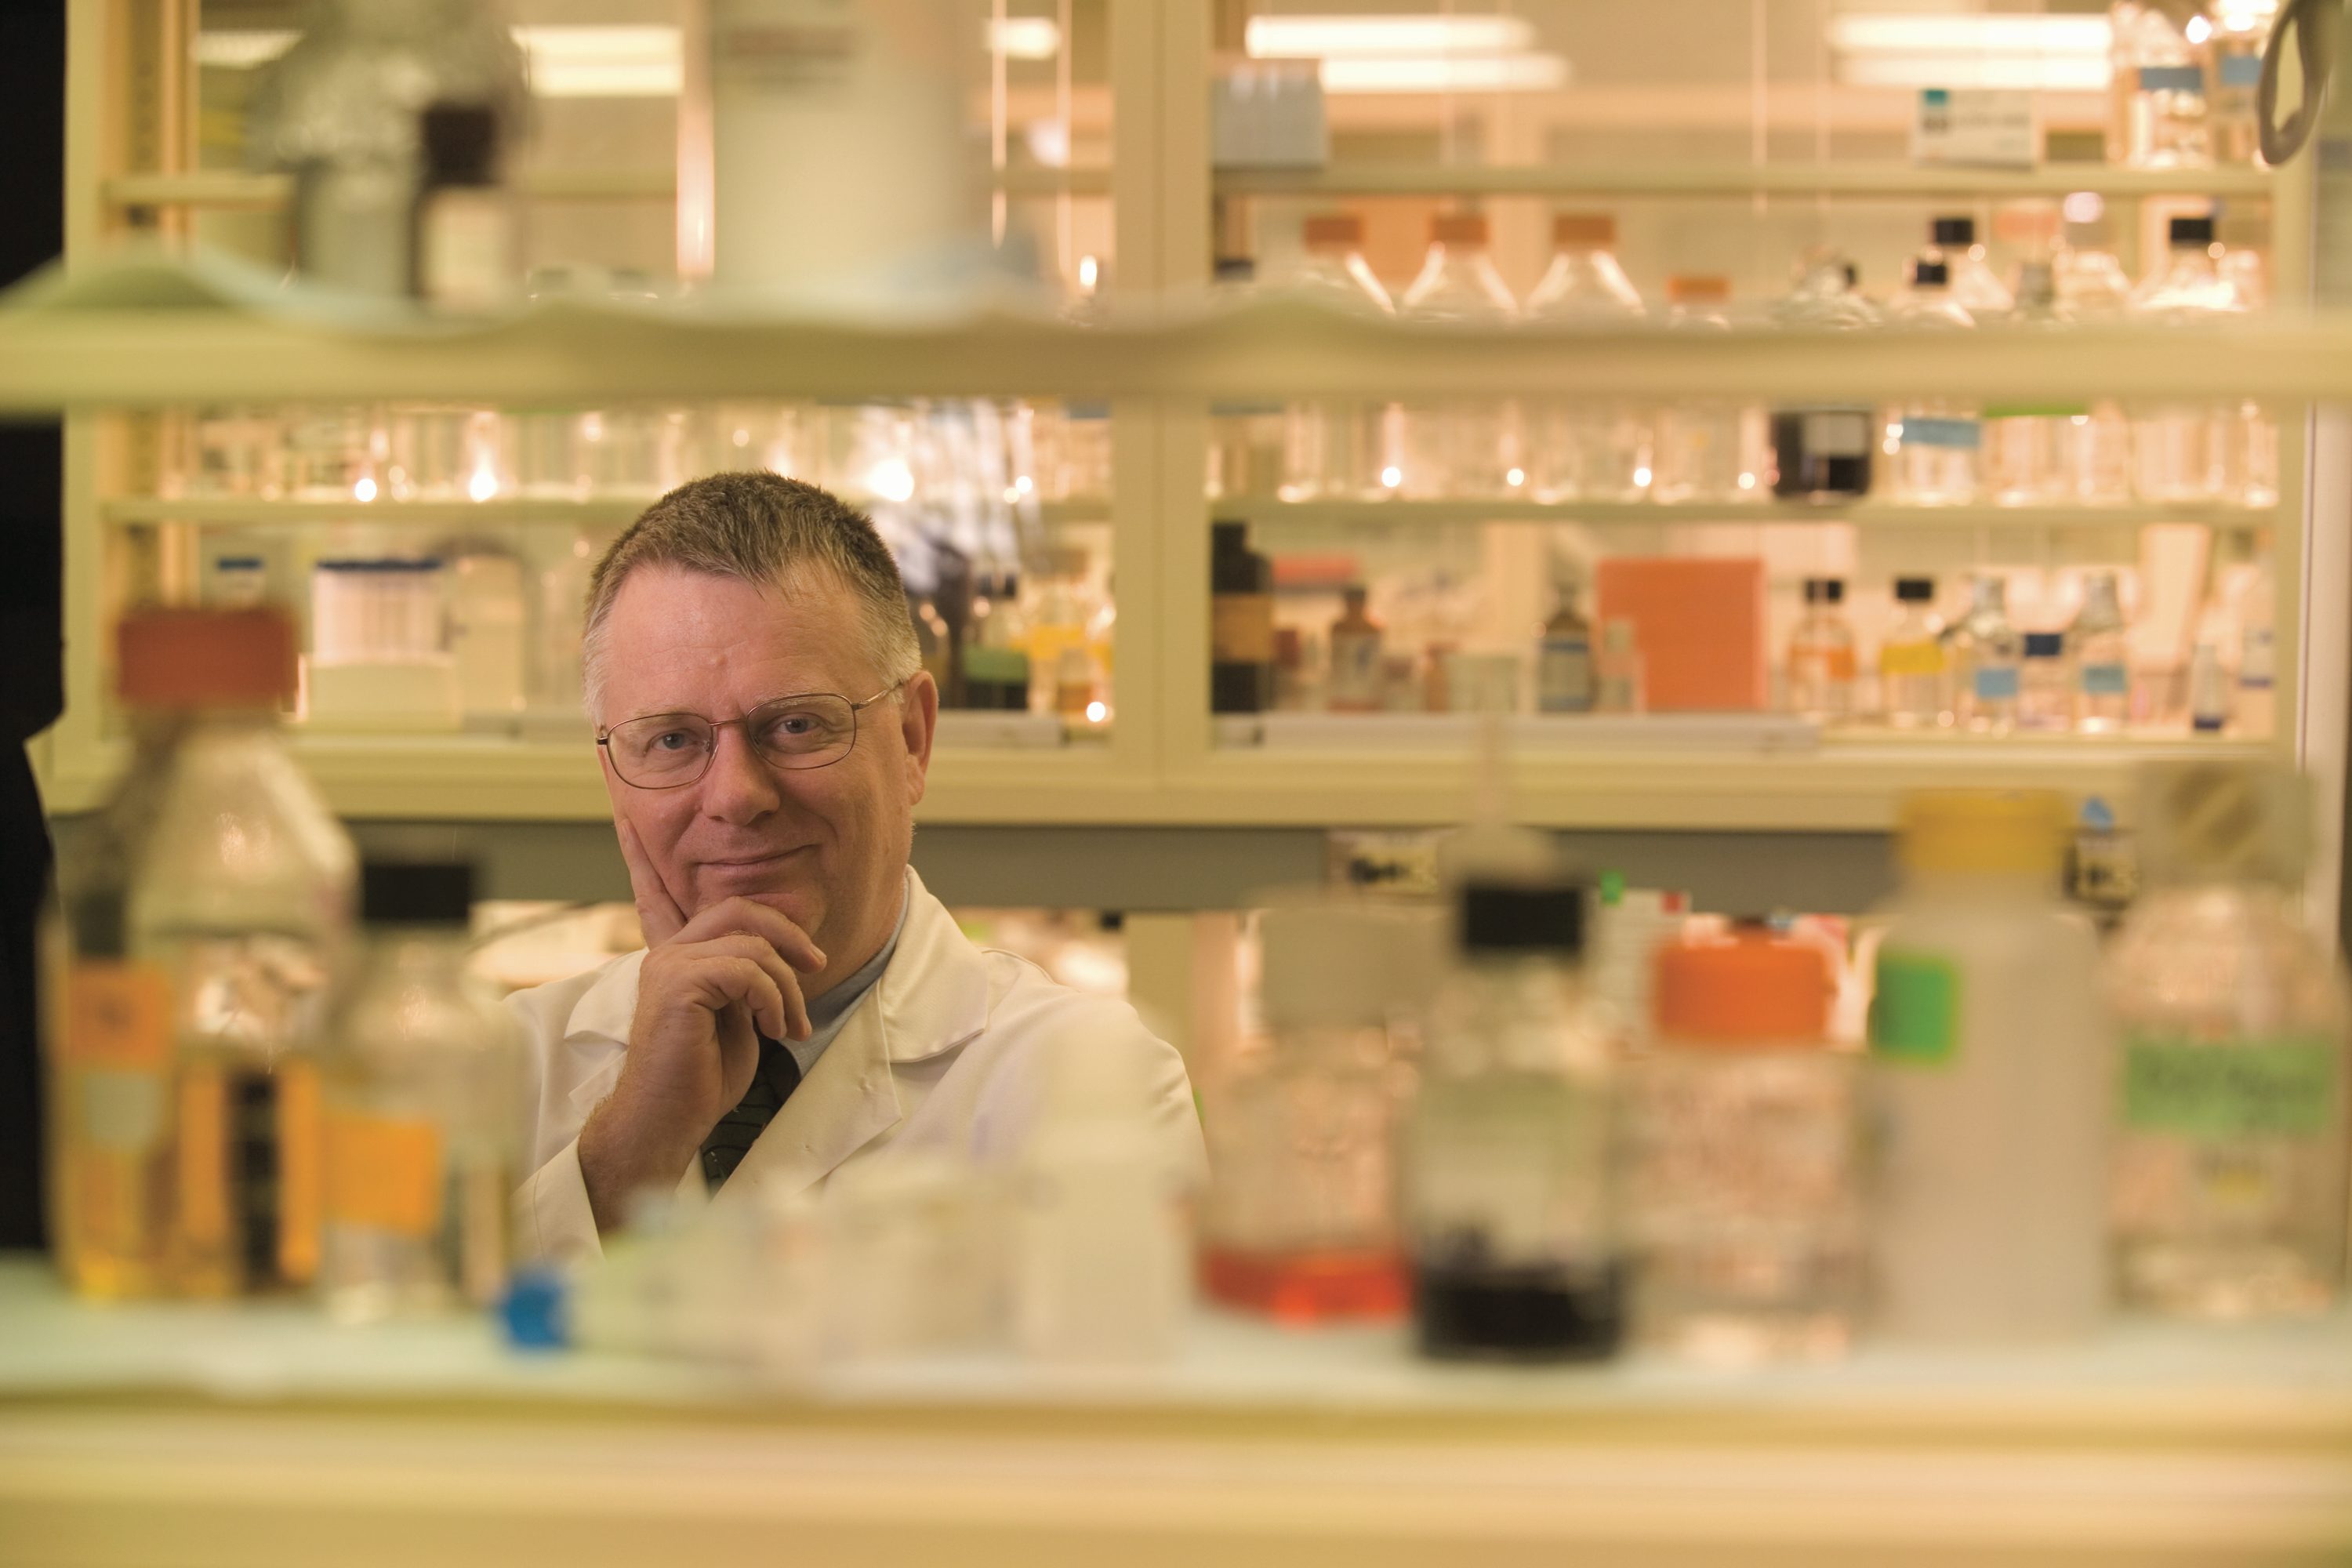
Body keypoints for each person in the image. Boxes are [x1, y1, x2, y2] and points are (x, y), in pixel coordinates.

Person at [510, 473, 1201, 1265]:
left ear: (912, 739)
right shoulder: (506, 1065)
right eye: (671, 740)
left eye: (796, 725)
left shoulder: (1090, 1086)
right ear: (612, 775)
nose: (736, 795)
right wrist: (632, 1148)